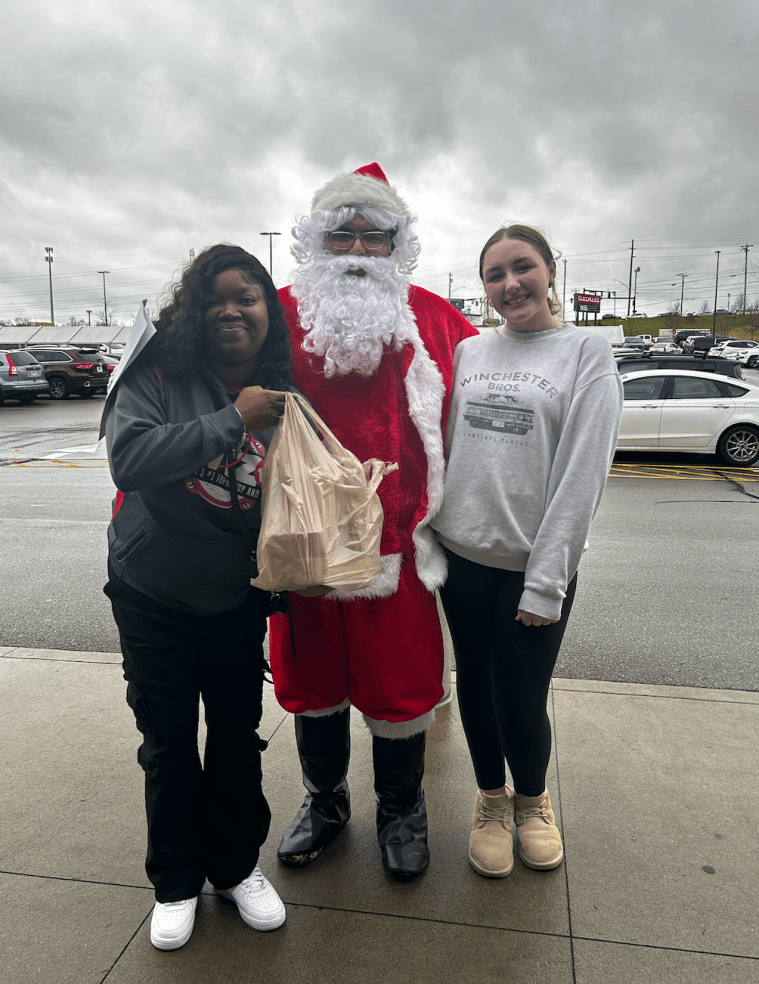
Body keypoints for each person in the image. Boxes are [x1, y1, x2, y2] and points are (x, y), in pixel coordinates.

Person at [268, 163, 478, 880]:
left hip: (402, 551)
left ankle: (401, 811)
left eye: (374, 236)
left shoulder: (439, 320)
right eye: (342, 234)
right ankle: (324, 803)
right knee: (311, 682)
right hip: (302, 548)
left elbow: (488, 422)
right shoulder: (272, 314)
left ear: (398, 245)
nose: (357, 250)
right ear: (315, 240)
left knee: (401, 688)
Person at [102, 244, 292, 949]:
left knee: (237, 740)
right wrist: (234, 419)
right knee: (168, 741)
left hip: (237, 598)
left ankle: (237, 867)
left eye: (247, 296)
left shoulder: (286, 393)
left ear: (267, 311)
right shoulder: (156, 373)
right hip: (152, 593)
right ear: (194, 310)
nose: (231, 309)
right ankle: (176, 880)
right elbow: (131, 458)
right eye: (215, 297)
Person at [431, 224, 622, 879]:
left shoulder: (585, 352)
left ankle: (533, 803)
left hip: (529, 568)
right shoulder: (468, 351)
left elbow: (581, 473)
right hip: (460, 561)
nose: (509, 284)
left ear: (549, 271)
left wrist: (547, 582)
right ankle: (490, 802)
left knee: (519, 698)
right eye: (494, 274)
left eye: (522, 268)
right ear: (482, 287)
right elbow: (445, 448)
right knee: (476, 693)